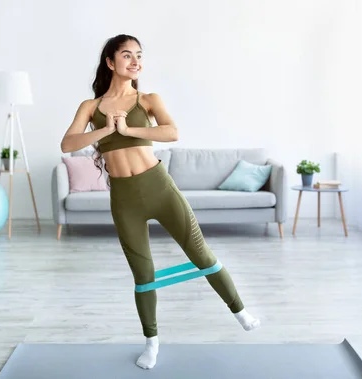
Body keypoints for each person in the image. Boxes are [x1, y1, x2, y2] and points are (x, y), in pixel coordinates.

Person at [60, 34, 260, 370]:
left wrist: (129, 130)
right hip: (124, 198)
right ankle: (152, 343)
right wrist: (105, 130)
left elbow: (172, 132)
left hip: (159, 187)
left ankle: (240, 310)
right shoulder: (90, 108)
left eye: (139, 55)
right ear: (110, 62)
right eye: (127, 55)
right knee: (143, 274)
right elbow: (67, 144)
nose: (135, 61)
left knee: (202, 255)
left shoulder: (148, 99)